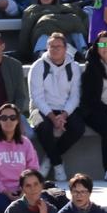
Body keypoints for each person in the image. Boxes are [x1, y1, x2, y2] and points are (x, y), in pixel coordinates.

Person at [26, 34, 85, 184]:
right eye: (51, 46)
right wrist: (53, 117)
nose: (54, 49)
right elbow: (36, 97)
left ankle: (50, 158)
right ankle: (58, 164)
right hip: (40, 109)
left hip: (65, 109)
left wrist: (63, 115)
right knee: (43, 126)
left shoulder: (74, 67)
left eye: (58, 46)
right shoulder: (38, 66)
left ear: (65, 49)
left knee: (78, 128)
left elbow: (75, 96)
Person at [0, 103, 39, 203]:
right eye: (4, 118)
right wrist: (5, 191)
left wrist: (24, 189)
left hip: (23, 190)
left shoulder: (26, 143)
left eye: (12, 118)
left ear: (18, 120)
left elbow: (33, 169)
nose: (8, 121)